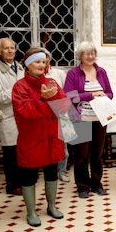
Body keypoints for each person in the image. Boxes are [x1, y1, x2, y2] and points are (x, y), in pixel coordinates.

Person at [12, 47, 70, 227]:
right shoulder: (19, 86)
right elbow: (26, 111)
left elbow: (64, 106)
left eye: (43, 62)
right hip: (32, 138)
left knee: (52, 173)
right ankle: (31, 212)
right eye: (37, 61)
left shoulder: (52, 82)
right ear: (28, 65)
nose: (41, 65)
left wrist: (52, 98)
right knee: (29, 176)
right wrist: (44, 99)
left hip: (52, 137)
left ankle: (51, 206)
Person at [64, 42, 113, 198]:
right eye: (87, 53)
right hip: (81, 119)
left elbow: (110, 93)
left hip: (99, 119)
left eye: (93, 53)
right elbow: (69, 96)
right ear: (80, 56)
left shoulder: (101, 72)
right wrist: (91, 95)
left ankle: (96, 184)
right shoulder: (73, 73)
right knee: (81, 154)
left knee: (97, 154)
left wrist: (104, 95)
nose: (91, 56)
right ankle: (83, 186)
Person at [0, 37, 24, 195]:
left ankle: (24, 182)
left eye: (12, 48)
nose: (10, 51)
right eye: (6, 48)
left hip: (24, 116)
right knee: (10, 153)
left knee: (23, 151)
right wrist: (19, 92)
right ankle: (12, 185)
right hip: (8, 116)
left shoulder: (21, 68)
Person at [45, 55, 70, 183]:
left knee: (63, 146)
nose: (43, 62)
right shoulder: (36, 75)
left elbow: (66, 92)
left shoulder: (59, 73)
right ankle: (49, 171)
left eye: (45, 58)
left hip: (61, 113)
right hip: (45, 114)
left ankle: (62, 170)